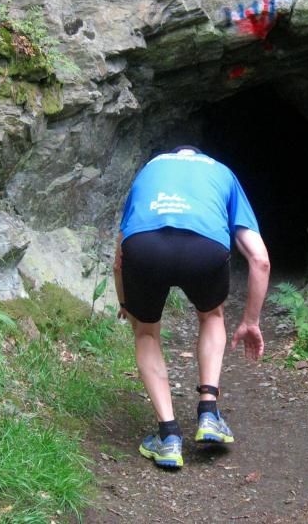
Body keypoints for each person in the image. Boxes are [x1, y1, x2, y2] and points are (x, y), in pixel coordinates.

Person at [113, 146, 270, 469]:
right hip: (204, 247)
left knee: (146, 332)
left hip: (144, 246)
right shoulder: (222, 172)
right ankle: (209, 412)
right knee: (211, 315)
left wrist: (125, 302)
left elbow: (119, 259)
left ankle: (168, 437)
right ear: (199, 158)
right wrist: (250, 321)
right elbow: (260, 260)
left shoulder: (149, 170)